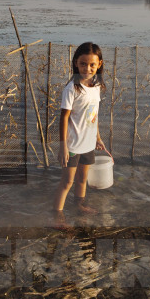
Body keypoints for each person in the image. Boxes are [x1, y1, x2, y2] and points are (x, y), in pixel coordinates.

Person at [53, 42, 110, 222]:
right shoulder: (72, 88)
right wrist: (63, 147)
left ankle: (79, 204)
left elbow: (94, 115)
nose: (87, 68)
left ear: (99, 64)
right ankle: (58, 216)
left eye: (92, 64)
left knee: (82, 178)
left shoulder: (97, 86)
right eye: (83, 64)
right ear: (76, 63)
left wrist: (98, 137)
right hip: (72, 145)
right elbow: (63, 118)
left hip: (88, 143)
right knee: (67, 182)